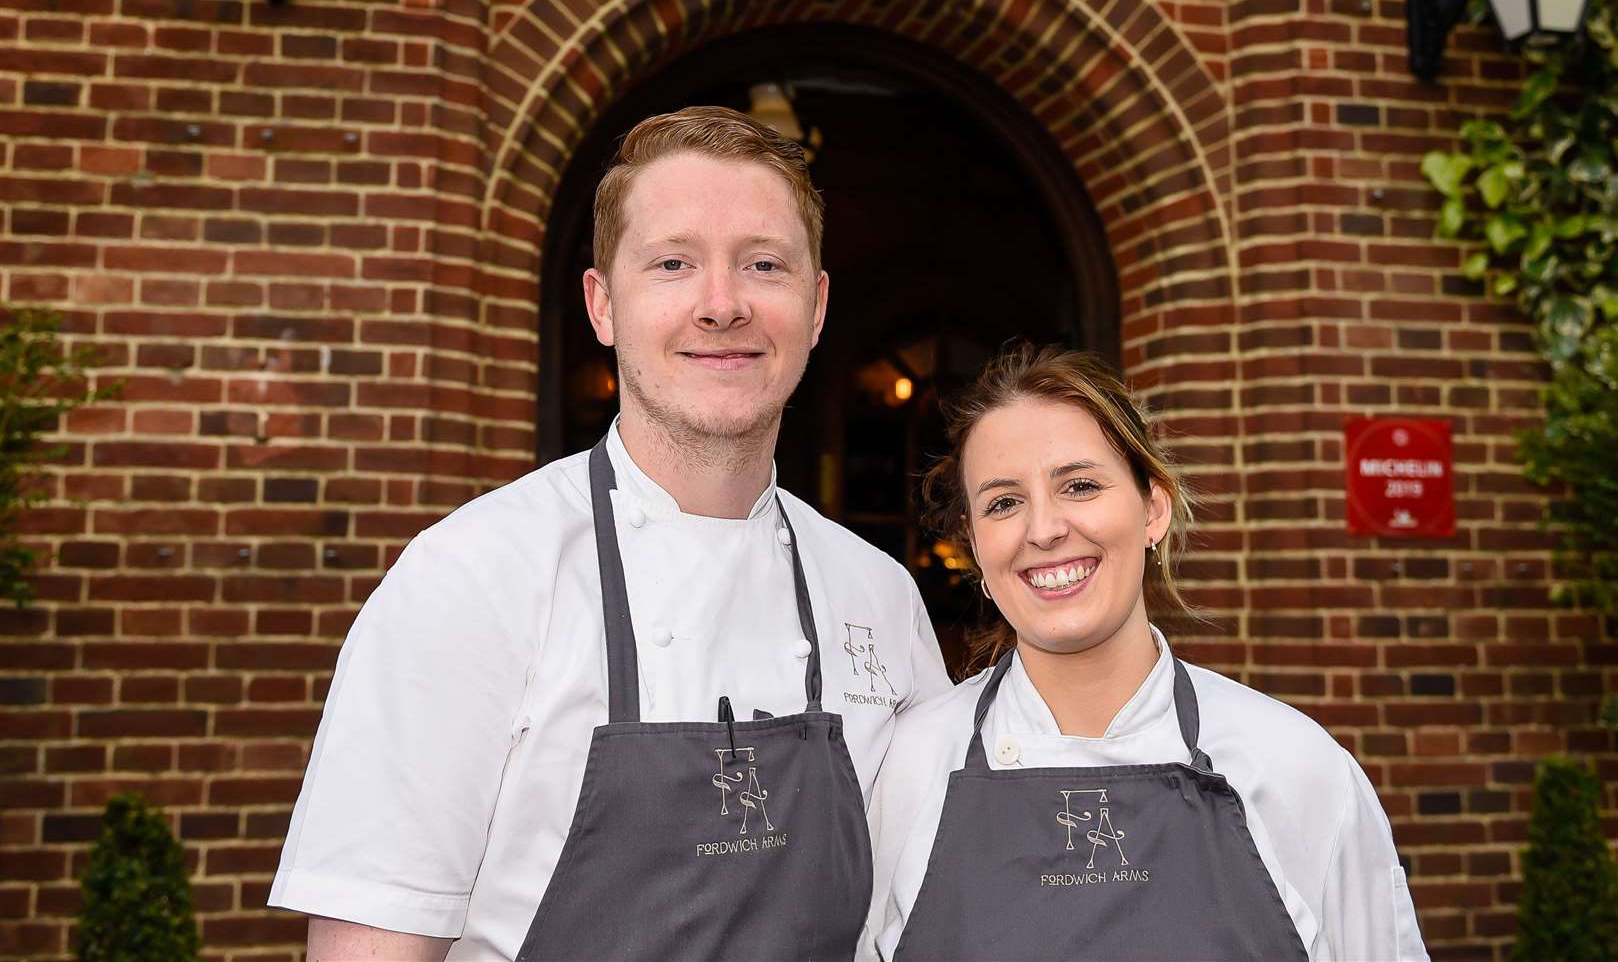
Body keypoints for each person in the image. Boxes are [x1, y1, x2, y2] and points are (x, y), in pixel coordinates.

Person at [269, 106, 950, 961]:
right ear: (603, 305)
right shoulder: (473, 577)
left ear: (814, 308)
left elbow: (930, 916)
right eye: (673, 263)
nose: (722, 305)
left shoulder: (880, 596)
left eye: (763, 264)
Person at [861, 344, 1428, 961]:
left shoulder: (1296, 766)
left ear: (1153, 509)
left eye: (1079, 485)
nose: (1044, 529)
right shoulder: (909, 771)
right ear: (974, 540)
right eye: (1003, 502)